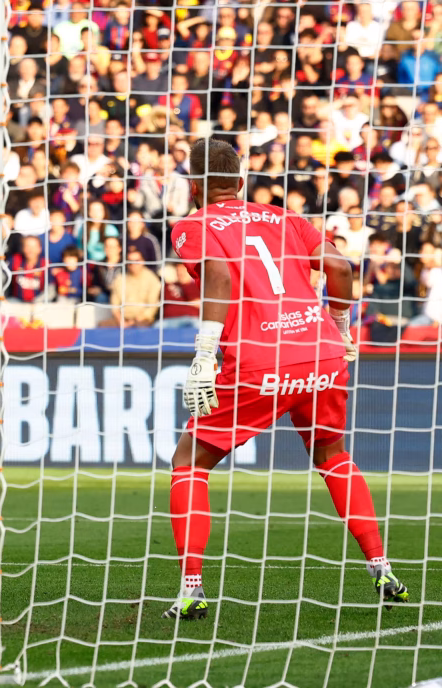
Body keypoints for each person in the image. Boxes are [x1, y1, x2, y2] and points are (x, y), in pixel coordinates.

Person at [163, 139, 408, 621]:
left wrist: (204, 354)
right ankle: (381, 566)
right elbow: (340, 266)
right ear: (240, 181)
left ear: (193, 185)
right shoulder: (284, 218)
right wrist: (338, 328)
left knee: (189, 462)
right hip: (319, 353)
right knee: (333, 456)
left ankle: (191, 588)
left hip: (256, 358)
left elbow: (218, 278)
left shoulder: (192, 225)